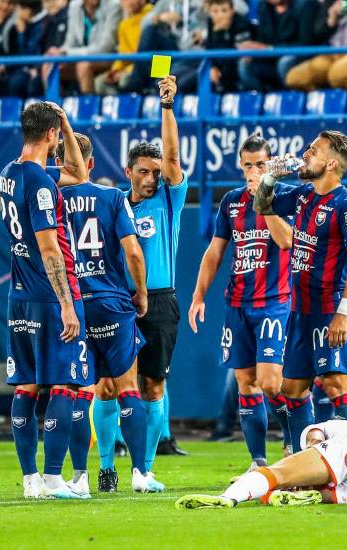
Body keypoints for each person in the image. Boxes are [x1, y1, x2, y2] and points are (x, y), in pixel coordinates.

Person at [55, 133, 164, 495]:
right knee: (126, 387)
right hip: (113, 303)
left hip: (73, 305)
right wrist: (142, 294)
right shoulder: (113, 197)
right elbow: (133, 252)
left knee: (81, 390)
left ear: (59, 163)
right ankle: (139, 474)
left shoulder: (48, 200)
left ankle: (81, 478)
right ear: (89, 163)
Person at [253, 130, 347, 453]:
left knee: (336, 385)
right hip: (300, 311)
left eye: (313, 151)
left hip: (330, 308)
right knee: (291, 389)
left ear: (331, 163)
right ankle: (308, 460)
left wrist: (344, 313)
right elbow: (261, 205)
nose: (305, 154)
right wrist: (270, 178)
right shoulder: (304, 194)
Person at [188, 132, 294, 474]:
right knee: (246, 383)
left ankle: (293, 440)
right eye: (247, 165)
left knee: (271, 382)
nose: (252, 170)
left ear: (270, 163)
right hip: (237, 305)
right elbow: (215, 252)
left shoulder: (285, 196)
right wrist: (198, 296)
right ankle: (258, 461)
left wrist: (264, 201)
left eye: (260, 164)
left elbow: (287, 241)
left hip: (274, 303)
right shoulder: (231, 202)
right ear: (240, 165)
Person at [0, 101, 89, 499]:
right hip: (47, 296)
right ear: (51, 135)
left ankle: (30, 480)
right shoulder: (40, 184)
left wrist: (63, 124)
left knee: (26, 387)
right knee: (63, 386)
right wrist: (67, 303)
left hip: (18, 296)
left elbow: (77, 174)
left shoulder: (9, 174)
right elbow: (50, 249)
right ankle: (54, 479)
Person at [126, 75, 188, 464]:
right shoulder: (115, 205)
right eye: (143, 172)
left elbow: (173, 158)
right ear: (128, 170)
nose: (151, 178)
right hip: (121, 300)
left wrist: (167, 107)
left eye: (155, 171)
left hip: (161, 301)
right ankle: (110, 460)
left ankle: (145, 466)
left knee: (152, 384)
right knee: (116, 384)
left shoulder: (168, 200)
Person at [174, 419, 347, 508]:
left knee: (279, 473)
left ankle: (228, 498)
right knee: (327, 495)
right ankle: (306, 496)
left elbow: (314, 434)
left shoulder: (339, 427)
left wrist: (314, 449)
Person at [46, 0, 122, 94]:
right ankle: (54, 107)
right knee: (49, 65)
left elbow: (106, 47)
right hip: (82, 58)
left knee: (83, 66)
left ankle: (88, 106)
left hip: (108, 57)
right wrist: (59, 51)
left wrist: (66, 52)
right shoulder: (74, 6)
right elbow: (70, 42)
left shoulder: (114, 5)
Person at [94, 0, 152, 95]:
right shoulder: (124, 25)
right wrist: (114, 71)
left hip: (150, 66)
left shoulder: (152, 17)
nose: (127, 2)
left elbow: (151, 56)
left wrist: (127, 71)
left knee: (125, 79)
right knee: (99, 83)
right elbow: (123, 55)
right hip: (131, 67)